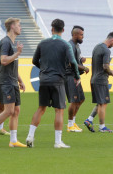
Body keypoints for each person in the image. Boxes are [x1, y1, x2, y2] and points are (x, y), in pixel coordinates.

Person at [25, 18, 80, 148]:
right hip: (57, 80)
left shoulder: (43, 43)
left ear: (52, 29)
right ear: (64, 30)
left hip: (44, 80)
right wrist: (77, 76)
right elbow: (73, 62)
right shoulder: (65, 45)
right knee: (59, 110)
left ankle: (30, 136)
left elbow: (34, 60)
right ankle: (57, 142)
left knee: (41, 108)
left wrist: (43, 69)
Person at [0, 17, 27, 148]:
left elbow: (11, 64)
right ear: (12, 26)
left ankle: (13, 140)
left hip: (12, 81)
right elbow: (4, 60)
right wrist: (17, 53)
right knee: (8, 110)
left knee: (16, 110)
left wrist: (20, 80)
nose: (21, 27)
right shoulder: (6, 42)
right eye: (19, 25)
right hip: (6, 81)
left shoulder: (12, 42)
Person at [83, 32, 113, 133]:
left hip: (94, 79)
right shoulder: (106, 50)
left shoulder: (97, 47)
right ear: (112, 40)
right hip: (101, 80)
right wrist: (111, 72)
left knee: (100, 102)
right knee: (103, 103)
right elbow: (105, 66)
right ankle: (102, 127)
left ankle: (89, 120)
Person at [65, 25, 88, 133]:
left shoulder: (76, 45)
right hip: (70, 76)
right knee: (74, 101)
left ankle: (73, 122)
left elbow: (75, 60)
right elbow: (70, 63)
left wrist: (81, 60)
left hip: (76, 76)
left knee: (81, 99)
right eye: (81, 35)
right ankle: (69, 125)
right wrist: (83, 67)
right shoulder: (70, 45)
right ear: (75, 35)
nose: (82, 37)